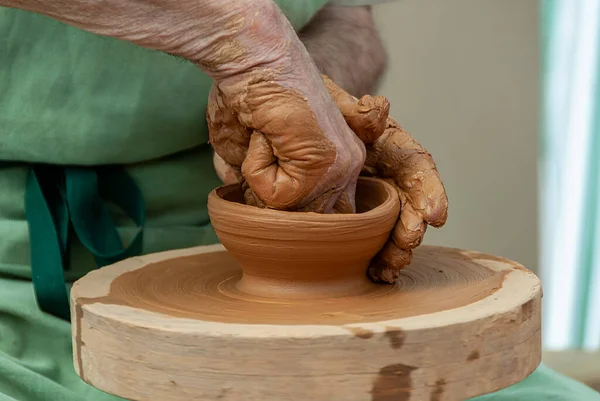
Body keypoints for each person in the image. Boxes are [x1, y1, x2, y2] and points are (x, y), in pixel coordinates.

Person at [0, 0, 597, 400]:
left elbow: (346, 14)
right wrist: (250, 47)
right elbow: (257, 39)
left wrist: (317, 86)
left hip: (243, 237)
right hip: (15, 270)